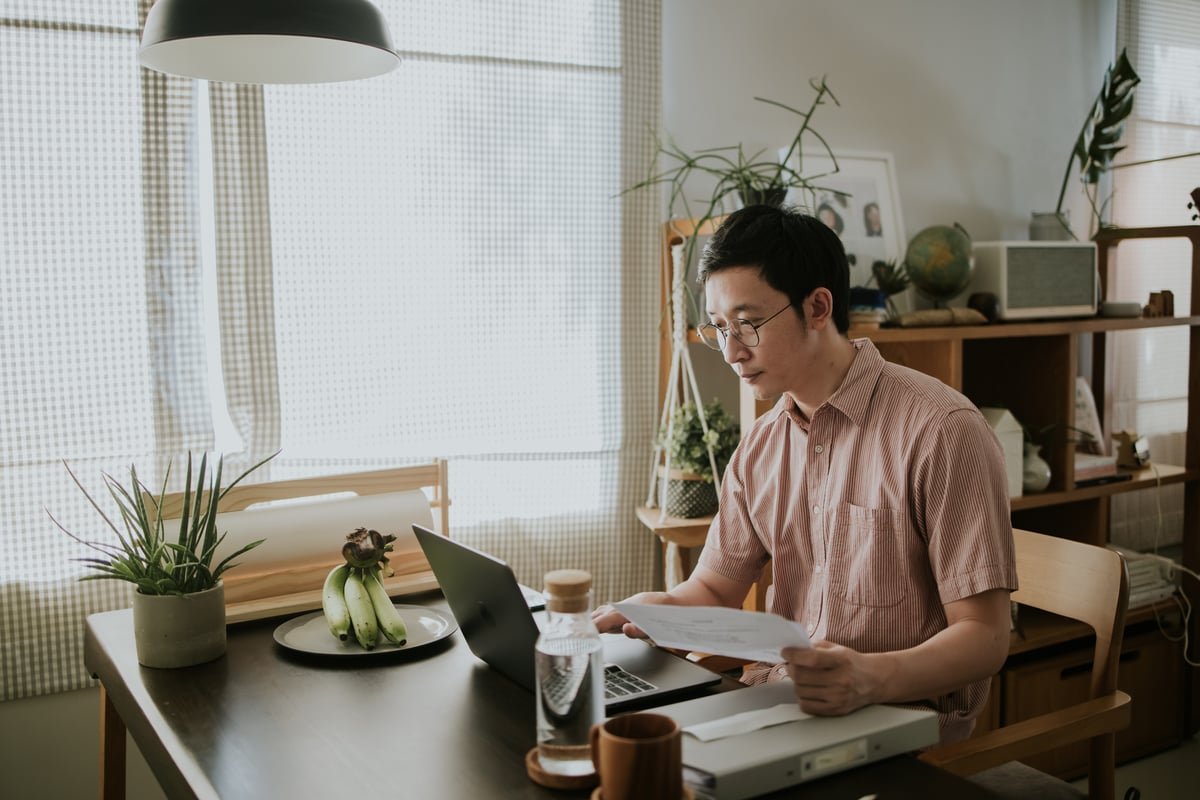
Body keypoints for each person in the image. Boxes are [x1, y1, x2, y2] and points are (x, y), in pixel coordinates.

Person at [595, 205, 1017, 745]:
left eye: (747, 325)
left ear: (818, 307)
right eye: (719, 329)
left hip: (899, 721)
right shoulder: (763, 446)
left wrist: (869, 679)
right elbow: (715, 587)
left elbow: (985, 637)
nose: (731, 352)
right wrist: (657, 611)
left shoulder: (941, 431)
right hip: (776, 702)